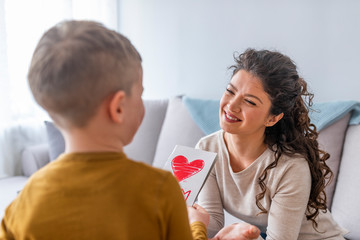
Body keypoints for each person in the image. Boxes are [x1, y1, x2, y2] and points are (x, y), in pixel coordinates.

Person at [0, 20, 209, 240]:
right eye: (140, 94)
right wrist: (197, 227)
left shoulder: (23, 203)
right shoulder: (161, 190)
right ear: (118, 107)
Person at [194, 49, 348, 240]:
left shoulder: (290, 167)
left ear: (272, 118)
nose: (231, 106)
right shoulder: (206, 149)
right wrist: (189, 219)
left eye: (249, 101)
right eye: (229, 91)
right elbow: (213, 222)